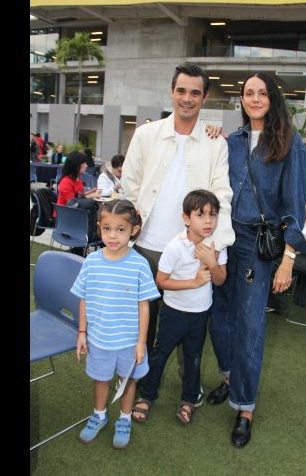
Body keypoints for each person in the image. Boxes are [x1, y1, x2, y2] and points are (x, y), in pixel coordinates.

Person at [206, 72, 306, 449]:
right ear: (242, 100)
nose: (254, 98)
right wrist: (212, 135)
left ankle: (245, 408)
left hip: (259, 244)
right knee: (220, 313)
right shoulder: (230, 141)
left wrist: (288, 258)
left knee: (250, 323)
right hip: (224, 239)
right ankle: (231, 378)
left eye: (262, 93)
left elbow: (295, 206)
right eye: (248, 93)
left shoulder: (289, 144)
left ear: (273, 98)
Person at [122, 62, 235, 402]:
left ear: (205, 97)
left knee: (190, 325)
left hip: (193, 250)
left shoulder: (216, 143)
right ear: (172, 92)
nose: (187, 98)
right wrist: (125, 236)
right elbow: (129, 188)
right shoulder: (146, 134)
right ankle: (140, 385)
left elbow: (223, 196)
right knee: (144, 323)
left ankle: (189, 389)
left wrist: (214, 247)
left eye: (195, 92)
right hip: (146, 247)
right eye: (182, 90)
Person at [131, 190, 227, 425]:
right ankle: (146, 396)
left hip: (200, 314)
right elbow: (160, 282)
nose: (208, 221)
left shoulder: (217, 246)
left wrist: (212, 262)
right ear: (186, 218)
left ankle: (189, 400)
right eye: (200, 214)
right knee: (160, 354)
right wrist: (193, 282)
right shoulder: (175, 246)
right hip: (173, 312)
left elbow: (220, 279)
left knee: (193, 357)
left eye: (212, 215)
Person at [72, 199, 161, 449]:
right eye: (107, 228)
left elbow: (145, 306)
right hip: (98, 339)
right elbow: (84, 299)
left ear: (133, 229)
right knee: (100, 379)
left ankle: (125, 418)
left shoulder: (140, 265)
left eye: (120, 229)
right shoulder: (91, 262)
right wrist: (82, 332)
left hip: (129, 342)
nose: (113, 236)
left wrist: (141, 343)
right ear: (99, 227)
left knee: (127, 380)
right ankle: (99, 415)